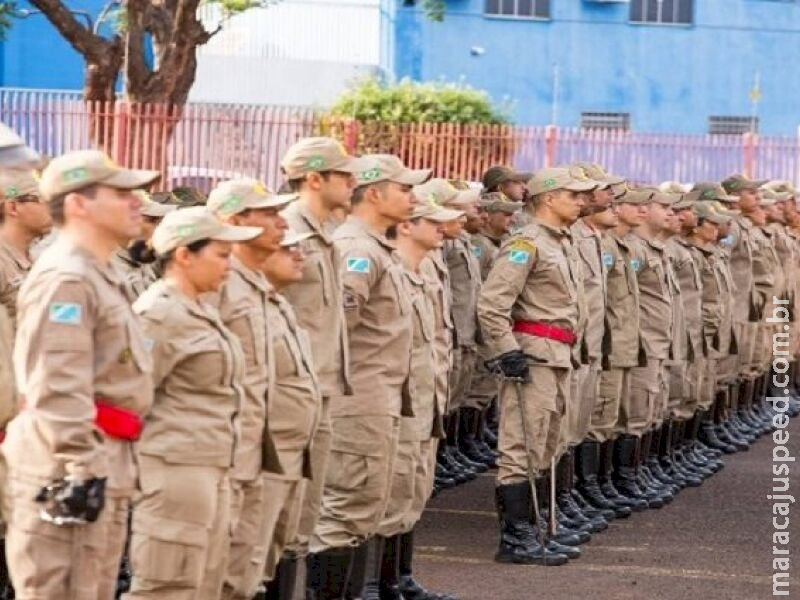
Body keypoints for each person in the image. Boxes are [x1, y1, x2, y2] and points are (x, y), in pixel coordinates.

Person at [3, 149, 157, 599]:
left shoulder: (98, 273)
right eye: (122, 193)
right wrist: (84, 466)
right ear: (77, 204)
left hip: (99, 462)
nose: (138, 203)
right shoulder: (67, 278)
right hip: (69, 471)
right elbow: (56, 386)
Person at [309, 154, 428, 600]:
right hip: (358, 402)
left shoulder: (378, 247)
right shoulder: (358, 250)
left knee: (363, 512)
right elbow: (338, 329)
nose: (413, 198)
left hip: (380, 400)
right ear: (375, 193)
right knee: (343, 512)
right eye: (404, 188)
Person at [125, 206, 261, 598]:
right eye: (220, 255)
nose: (229, 266)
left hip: (211, 469)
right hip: (172, 474)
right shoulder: (159, 314)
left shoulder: (201, 310)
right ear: (184, 255)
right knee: (165, 587)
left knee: (203, 584)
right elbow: (130, 395)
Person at [478, 167, 593, 566]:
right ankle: (516, 539)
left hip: (558, 353)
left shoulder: (558, 242)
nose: (581, 201)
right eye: (573, 195)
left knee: (546, 443)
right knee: (521, 447)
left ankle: (538, 528)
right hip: (533, 354)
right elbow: (492, 303)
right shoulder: (526, 243)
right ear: (547, 198)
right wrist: (507, 350)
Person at [278, 138, 365, 592]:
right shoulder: (285, 232)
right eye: (343, 174)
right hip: (291, 391)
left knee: (306, 511)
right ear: (314, 178)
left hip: (322, 387)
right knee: (280, 512)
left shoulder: (325, 233)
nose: (354, 182)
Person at [204, 178, 295, 599]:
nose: (281, 223)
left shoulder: (257, 284)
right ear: (235, 220)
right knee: (214, 568)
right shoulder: (218, 284)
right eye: (269, 214)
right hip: (223, 452)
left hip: (258, 448)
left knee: (247, 564)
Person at [379, 198, 463, 600]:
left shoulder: (424, 267)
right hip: (394, 399)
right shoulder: (387, 267)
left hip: (425, 396)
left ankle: (399, 577)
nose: (443, 228)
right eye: (434, 221)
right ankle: (373, 584)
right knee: (385, 492)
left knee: (413, 489)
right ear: (407, 226)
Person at [258, 229, 323, 600]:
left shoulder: (278, 304)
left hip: (287, 444)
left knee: (275, 545)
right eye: (285, 248)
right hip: (239, 453)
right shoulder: (233, 304)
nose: (299, 255)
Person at [113, 190, 175, 303]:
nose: (159, 226)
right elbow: (139, 295)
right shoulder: (107, 260)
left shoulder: (139, 252)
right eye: (153, 220)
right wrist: (163, 259)